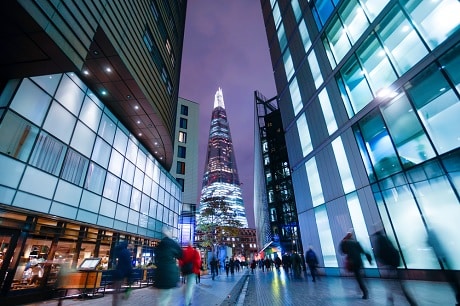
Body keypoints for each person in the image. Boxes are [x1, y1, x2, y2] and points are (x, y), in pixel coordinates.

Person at [372, 229, 417, 306]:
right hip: (394, 265)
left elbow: (379, 253)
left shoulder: (379, 241)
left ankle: (392, 302)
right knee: (398, 287)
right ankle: (411, 302)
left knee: (391, 286)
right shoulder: (387, 239)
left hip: (388, 266)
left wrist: (381, 261)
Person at [427, 228, 459, 306]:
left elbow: (428, 244)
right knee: (454, 280)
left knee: (452, 281)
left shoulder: (431, 237)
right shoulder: (437, 237)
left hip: (442, 259)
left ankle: (459, 298)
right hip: (445, 258)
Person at [154, 226, 183, 306]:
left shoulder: (160, 245)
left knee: (161, 297)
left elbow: (156, 256)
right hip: (169, 274)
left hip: (159, 273)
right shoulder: (172, 243)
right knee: (165, 298)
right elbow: (181, 254)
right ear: (169, 233)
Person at [340, 230, 372, 300]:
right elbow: (363, 251)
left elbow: (342, 251)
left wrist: (343, 242)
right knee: (359, 277)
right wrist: (370, 260)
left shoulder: (345, 243)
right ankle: (362, 289)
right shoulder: (356, 242)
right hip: (359, 262)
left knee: (358, 278)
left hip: (353, 262)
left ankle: (365, 292)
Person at [179, 241, 201, 306]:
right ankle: (187, 302)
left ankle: (188, 298)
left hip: (185, 271)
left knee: (187, 285)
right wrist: (198, 269)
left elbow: (180, 261)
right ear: (192, 245)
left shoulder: (184, 252)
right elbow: (198, 262)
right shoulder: (195, 252)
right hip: (192, 271)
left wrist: (181, 269)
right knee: (190, 287)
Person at [112, 241, 133, 306]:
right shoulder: (126, 252)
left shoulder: (118, 251)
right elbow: (128, 265)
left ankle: (115, 303)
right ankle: (118, 302)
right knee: (119, 291)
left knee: (116, 292)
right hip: (123, 274)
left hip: (117, 273)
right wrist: (130, 276)